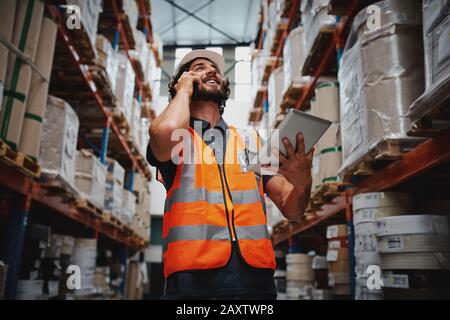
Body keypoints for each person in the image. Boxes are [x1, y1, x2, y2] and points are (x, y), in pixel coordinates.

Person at [147, 50, 314, 299]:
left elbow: (293, 210)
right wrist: (182, 91)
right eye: (200, 67)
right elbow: (166, 129)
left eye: (215, 69)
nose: (212, 70)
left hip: (256, 281)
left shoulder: (253, 141)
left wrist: (303, 183)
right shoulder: (178, 140)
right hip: (193, 282)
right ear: (184, 80)